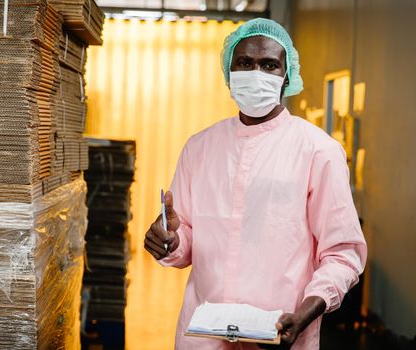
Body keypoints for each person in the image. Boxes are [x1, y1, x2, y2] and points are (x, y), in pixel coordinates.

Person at [143, 18, 367, 350]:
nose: (255, 73)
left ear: (286, 76)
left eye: (269, 65)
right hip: (204, 335)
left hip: (280, 333)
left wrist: (304, 314)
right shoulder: (200, 147)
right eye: (245, 63)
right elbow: (187, 238)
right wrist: (171, 240)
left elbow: (342, 254)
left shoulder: (318, 151)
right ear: (229, 72)